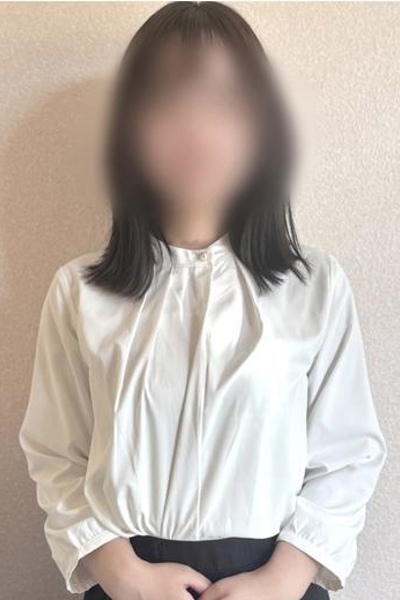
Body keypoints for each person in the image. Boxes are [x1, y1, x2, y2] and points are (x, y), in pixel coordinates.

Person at [19, 2, 387, 599]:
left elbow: (347, 455)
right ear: (129, 131)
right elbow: (56, 453)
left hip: (276, 581)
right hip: (126, 580)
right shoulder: (79, 291)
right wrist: (123, 574)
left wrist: (282, 578)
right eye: (167, 101)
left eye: (225, 101)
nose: (196, 128)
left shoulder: (315, 285)